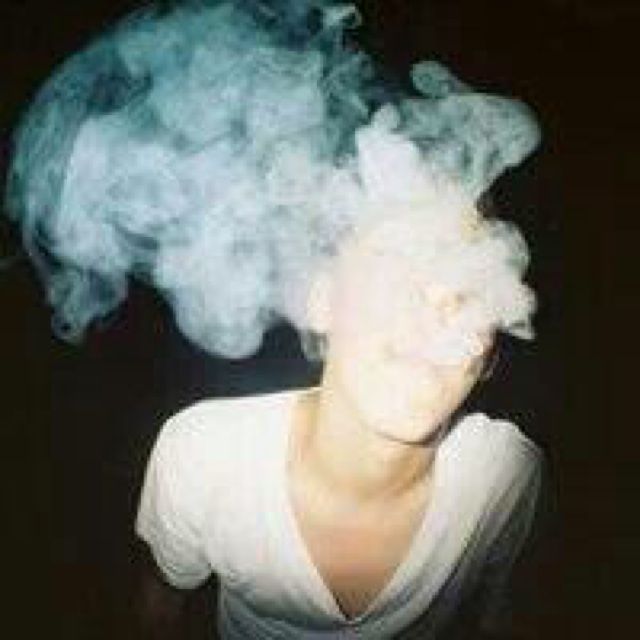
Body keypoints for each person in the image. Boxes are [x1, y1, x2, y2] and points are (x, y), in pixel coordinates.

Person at [134, 203, 544, 639]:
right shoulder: (204, 453)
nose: (436, 316)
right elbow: (160, 605)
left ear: (489, 356)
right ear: (323, 303)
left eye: (472, 287)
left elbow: (498, 613)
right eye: (401, 266)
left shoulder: (505, 471)